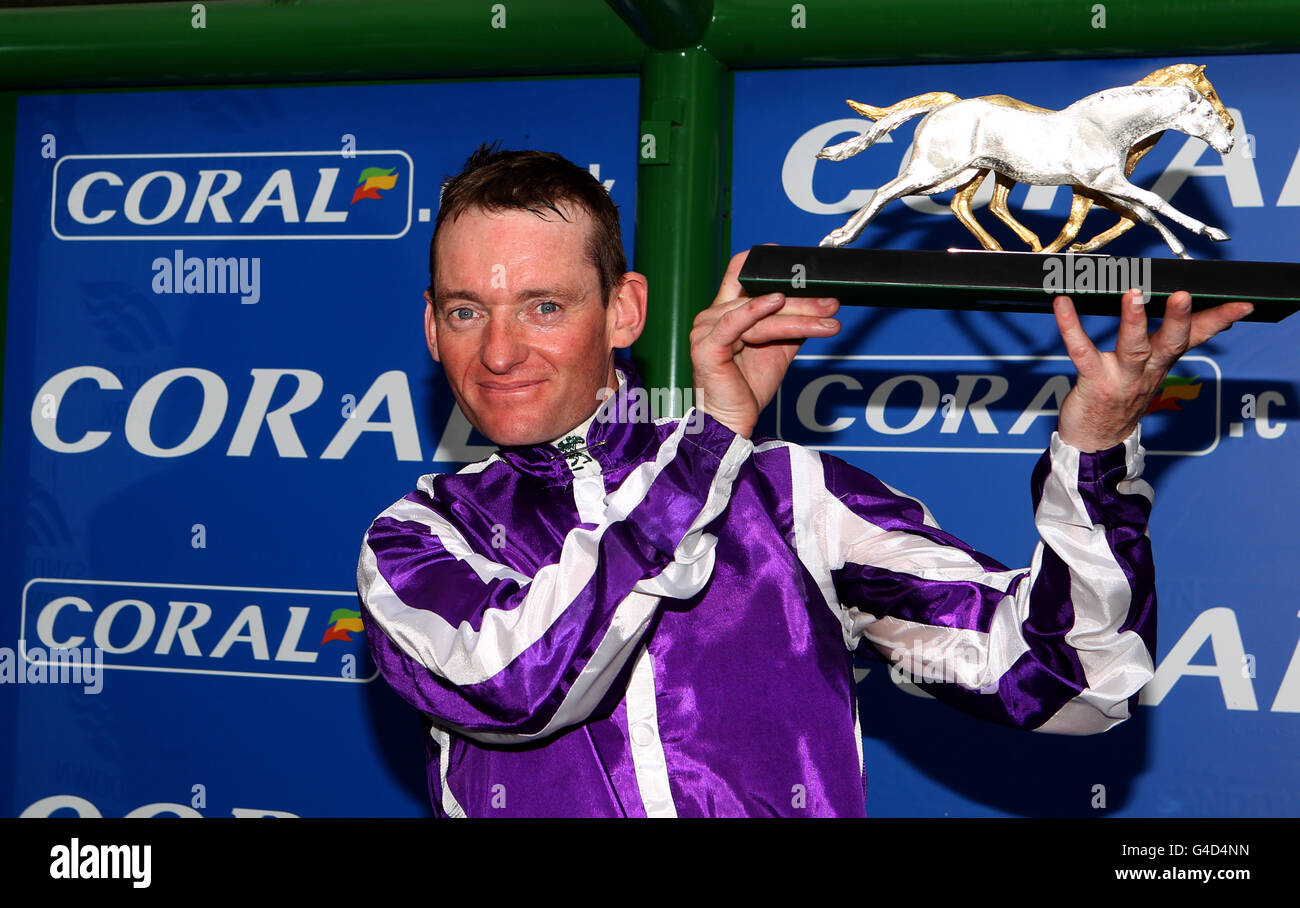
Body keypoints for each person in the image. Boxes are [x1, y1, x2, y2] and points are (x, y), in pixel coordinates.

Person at [356, 145, 1253, 817]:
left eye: (544, 306)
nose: (501, 351)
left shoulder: (789, 496)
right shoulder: (416, 538)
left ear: (624, 309)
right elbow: (519, 686)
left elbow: (1074, 684)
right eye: (467, 311)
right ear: (432, 330)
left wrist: (1095, 449)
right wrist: (706, 450)